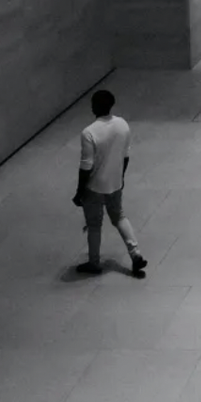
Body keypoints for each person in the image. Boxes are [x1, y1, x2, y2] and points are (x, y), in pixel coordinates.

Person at [73, 90, 148, 277]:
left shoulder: (89, 132)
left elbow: (86, 167)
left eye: (92, 103)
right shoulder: (122, 124)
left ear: (96, 106)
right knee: (119, 217)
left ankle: (94, 263)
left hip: (94, 187)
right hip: (115, 183)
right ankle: (135, 253)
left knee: (94, 224)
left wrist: (79, 192)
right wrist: (120, 178)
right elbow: (126, 157)